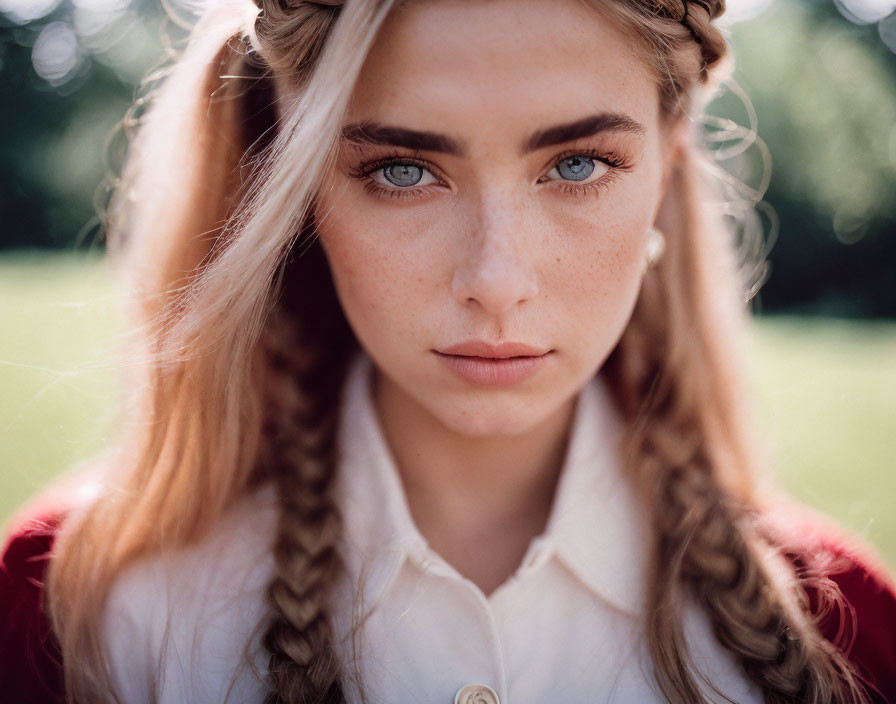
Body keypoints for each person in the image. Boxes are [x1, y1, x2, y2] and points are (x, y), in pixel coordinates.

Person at [2, 0, 895, 702]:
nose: (496, 279)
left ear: (664, 169)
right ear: (299, 181)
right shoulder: (73, 605)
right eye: (403, 170)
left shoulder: (848, 629)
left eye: (578, 164)